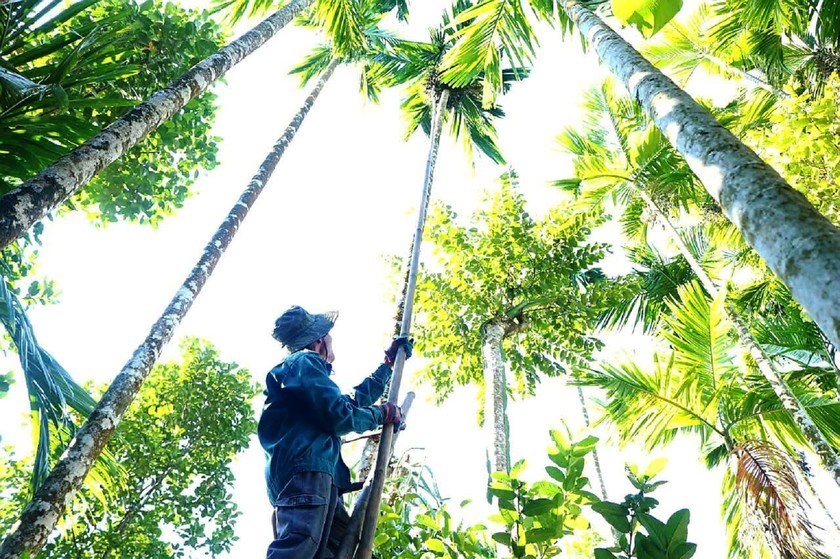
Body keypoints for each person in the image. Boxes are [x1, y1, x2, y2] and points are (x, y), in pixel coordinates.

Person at [258, 305, 413, 559]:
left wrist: (387, 367)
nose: (331, 338)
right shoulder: (303, 361)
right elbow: (340, 415)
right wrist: (382, 414)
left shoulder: (301, 373)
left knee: (336, 551)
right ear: (319, 341)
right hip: (305, 473)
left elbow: (349, 404)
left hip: (312, 478)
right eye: (328, 334)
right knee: (300, 545)